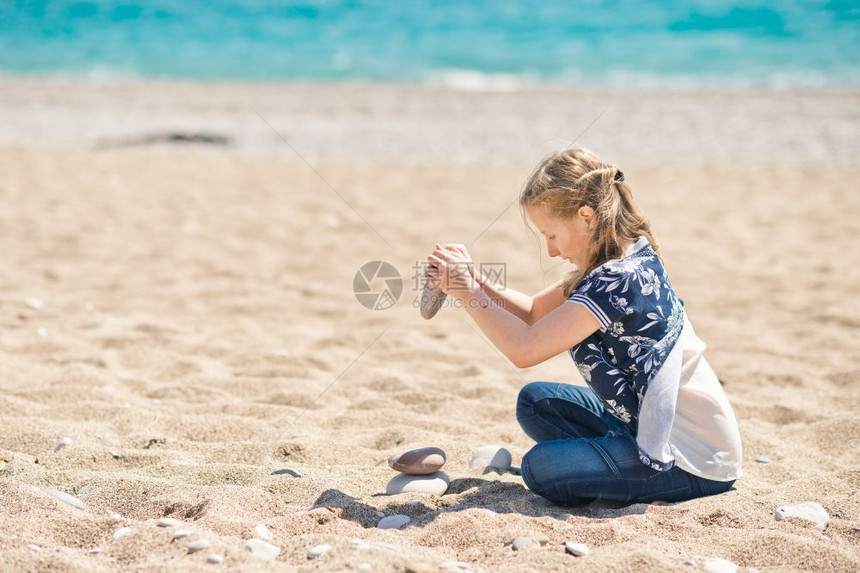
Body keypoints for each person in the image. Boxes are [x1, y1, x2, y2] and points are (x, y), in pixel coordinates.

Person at [425, 147, 742, 506]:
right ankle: (613, 454)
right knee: (535, 402)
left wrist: (465, 292)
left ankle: (635, 469)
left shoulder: (616, 282)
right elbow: (532, 312)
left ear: (586, 217)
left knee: (539, 469)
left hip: (693, 459)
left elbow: (524, 350)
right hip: (648, 418)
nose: (551, 251)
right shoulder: (620, 258)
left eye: (552, 235)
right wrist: (475, 281)